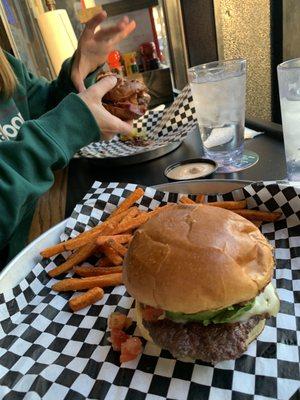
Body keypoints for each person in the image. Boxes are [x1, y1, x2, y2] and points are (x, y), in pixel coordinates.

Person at [0, 11, 136, 268]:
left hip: (38, 234)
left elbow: (43, 108)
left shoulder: (5, 64)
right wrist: (72, 121)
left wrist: (81, 74)